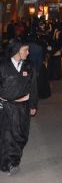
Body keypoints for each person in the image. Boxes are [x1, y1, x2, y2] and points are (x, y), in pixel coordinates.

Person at [0, 40, 38, 176]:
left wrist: (33, 105)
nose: (28, 53)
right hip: (6, 107)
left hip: (23, 107)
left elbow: (33, 87)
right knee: (8, 136)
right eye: (25, 50)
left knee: (22, 135)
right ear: (16, 50)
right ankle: (10, 163)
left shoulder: (29, 66)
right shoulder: (3, 66)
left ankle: (10, 159)